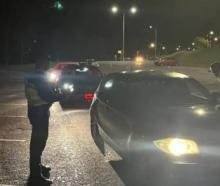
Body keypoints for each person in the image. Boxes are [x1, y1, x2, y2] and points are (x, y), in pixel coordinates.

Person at [25, 59, 64, 185]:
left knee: (38, 142)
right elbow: (47, 95)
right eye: (48, 65)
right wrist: (62, 95)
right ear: (44, 65)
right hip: (39, 113)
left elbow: (47, 92)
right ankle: (35, 176)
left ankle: (38, 167)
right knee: (38, 143)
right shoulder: (40, 77)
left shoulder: (33, 76)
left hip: (36, 112)